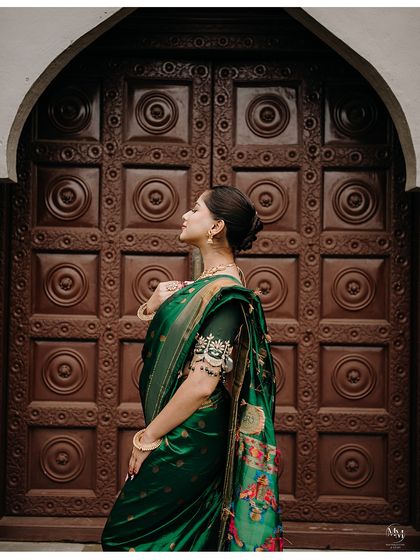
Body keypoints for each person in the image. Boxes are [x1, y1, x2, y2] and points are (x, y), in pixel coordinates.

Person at [101, 185, 284, 552]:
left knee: (124, 535)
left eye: (195, 209)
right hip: (182, 424)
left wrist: (147, 437)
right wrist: (152, 306)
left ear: (216, 227)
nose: (185, 214)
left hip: (191, 434)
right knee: (177, 534)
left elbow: (202, 382)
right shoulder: (203, 285)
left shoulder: (226, 294)